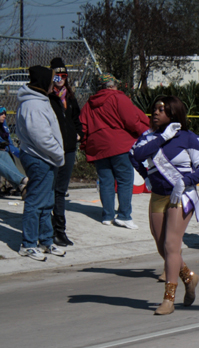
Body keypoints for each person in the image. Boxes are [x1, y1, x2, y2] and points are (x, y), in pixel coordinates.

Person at [130, 96, 199, 313]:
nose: (156, 113)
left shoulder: (188, 138)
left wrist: (185, 181)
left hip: (181, 196)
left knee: (171, 245)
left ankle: (169, 299)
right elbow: (136, 154)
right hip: (158, 196)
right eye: (154, 109)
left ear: (173, 113)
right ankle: (189, 278)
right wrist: (145, 173)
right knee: (161, 246)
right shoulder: (150, 137)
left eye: (162, 109)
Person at [80, 73, 150, 228]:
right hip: (120, 146)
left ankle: (107, 215)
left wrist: (85, 146)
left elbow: (83, 127)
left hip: (98, 147)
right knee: (125, 180)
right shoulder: (119, 98)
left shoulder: (88, 104)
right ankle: (124, 216)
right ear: (112, 86)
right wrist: (147, 133)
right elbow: (132, 121)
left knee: (106, 181)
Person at [16, 66, 66, 261]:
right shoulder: (33, 105)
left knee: (47, 202)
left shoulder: (39, 100)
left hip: (46, 157)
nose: (54, 84)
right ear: (43, 82)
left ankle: (45, 240)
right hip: (39, 158)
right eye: (52, 80)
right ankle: (28, 244)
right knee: (35, 202)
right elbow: (41, 138)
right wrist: (58, 154)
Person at [48, 57, 82, 247]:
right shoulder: (47, 97)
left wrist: (79, 134)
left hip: (68, 148)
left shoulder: (70, 96)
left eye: (63, 75)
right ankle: (47, 228)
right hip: (53, 148)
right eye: (56, 76)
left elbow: (76, 119)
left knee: (61, 190)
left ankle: (60, 231)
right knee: (50, 189)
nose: (60, 79)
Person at [0, 107, 28, 195]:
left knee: (4, 155)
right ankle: (23, 180)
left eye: (5, 114)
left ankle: (21, 187)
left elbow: (9, 145)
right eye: (1, 114)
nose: (4, 116)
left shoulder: (3, 128)